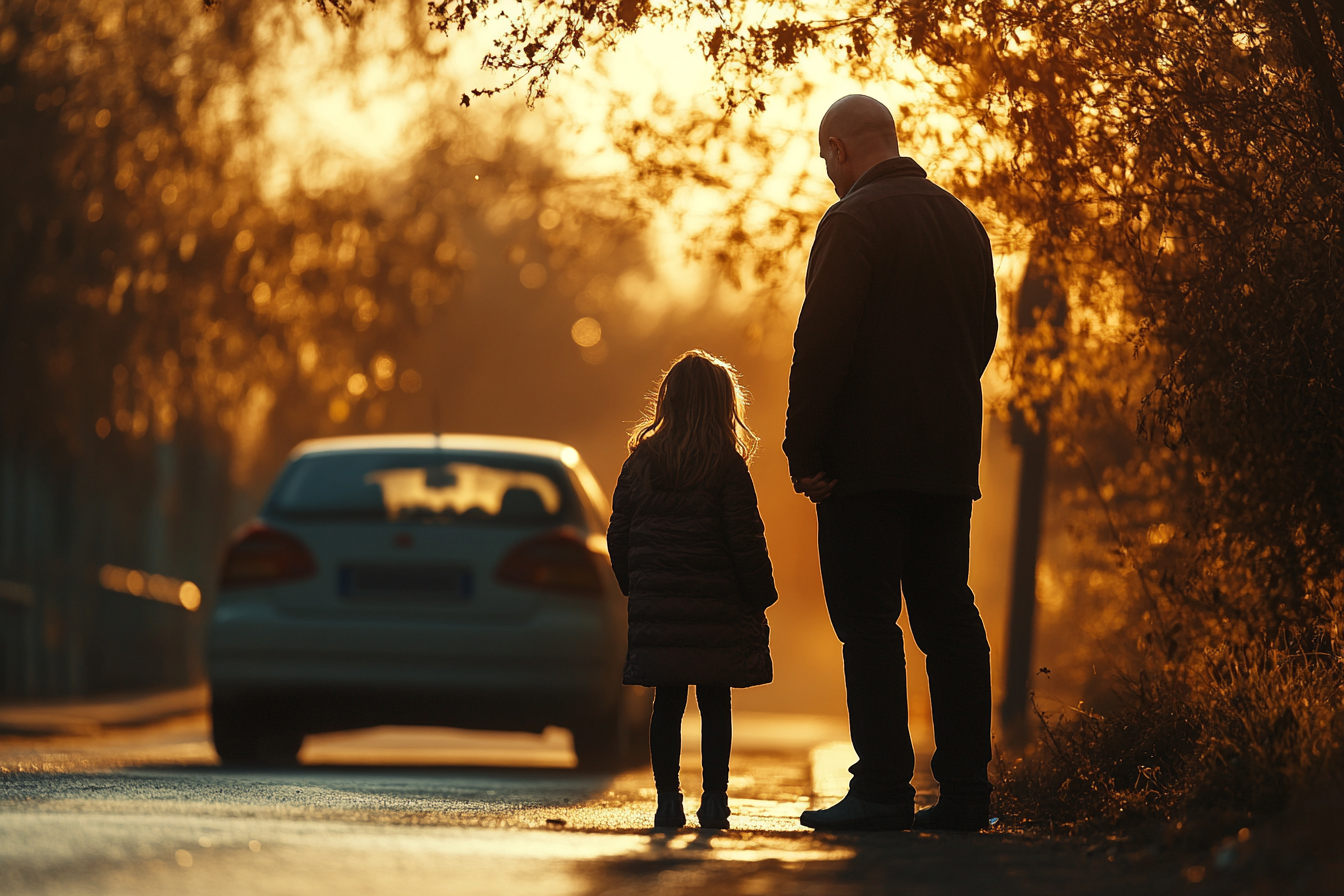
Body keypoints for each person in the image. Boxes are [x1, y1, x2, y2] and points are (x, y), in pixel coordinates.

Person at [786, 95, 999, 832]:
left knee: (870, 622)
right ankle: (967, 791)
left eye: (824, 160)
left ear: (841, 149)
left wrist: (804, 450)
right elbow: (982, 341)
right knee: (948, 615)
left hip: (863, 468)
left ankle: (881, 788)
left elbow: (822, 345)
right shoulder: (963, 224)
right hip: (946, 462)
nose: (827, 175)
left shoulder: (852, 222)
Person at [608, 350, 778, 830]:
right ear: (723, 405)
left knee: (666, 704)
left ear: (671, 402)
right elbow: (745, 538)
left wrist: (636, 588)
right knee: (715, 703)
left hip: (659, 604)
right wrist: (761, 593)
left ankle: (668, 801)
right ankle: (714, 801)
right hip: (717, 607)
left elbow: (618, 534)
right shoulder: (727, 465)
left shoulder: (641, 463)